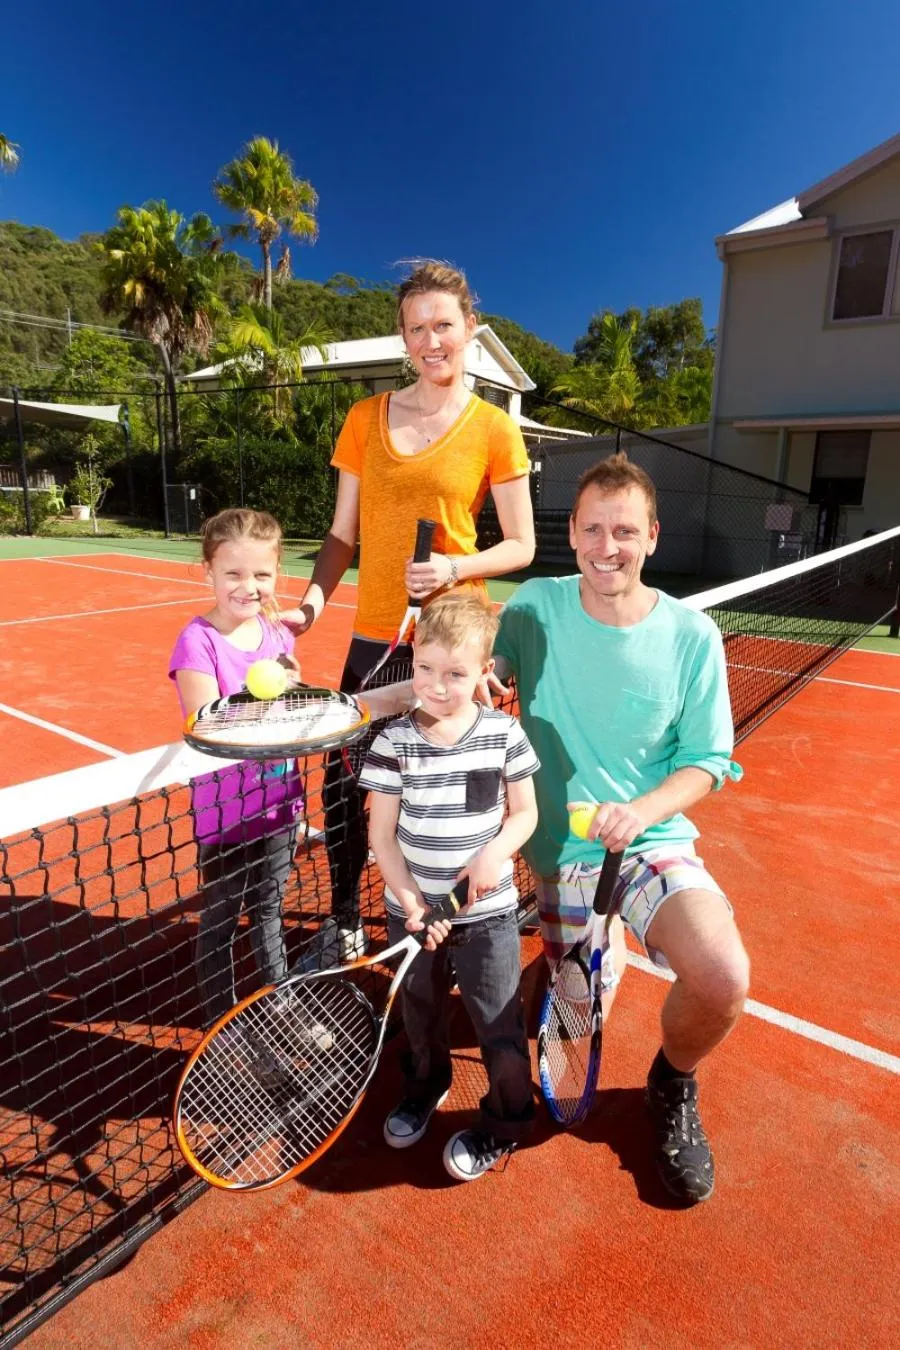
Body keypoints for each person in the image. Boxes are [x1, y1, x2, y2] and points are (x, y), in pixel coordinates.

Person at [492, 452, 749, 1206]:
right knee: (575, 1009)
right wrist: (483, 675)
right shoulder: (533, 606)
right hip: (562, 857)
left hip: (650, 841)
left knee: (722, 977)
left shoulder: (692, 635)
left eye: (626, 531)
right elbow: (495, 671)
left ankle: (671, 1083)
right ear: (570, 532)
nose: (610, 546)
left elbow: (706, 762)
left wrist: (642, 812)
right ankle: (583, 961)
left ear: (653, 537)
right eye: (595, 529)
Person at [283, 259, 536, 964]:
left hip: (455, 639)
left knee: (452, 786)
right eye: (417, 327)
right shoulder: (366, 419)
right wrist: (309, 603)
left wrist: (455, 567)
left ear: (471, 333)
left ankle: (455, 917)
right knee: (345, 783)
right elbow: (342, 534)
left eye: (445, 326)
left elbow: (521, 543)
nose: (432, 340)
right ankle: (342, 918)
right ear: (403, 338)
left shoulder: (493, 429)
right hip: (376, 637)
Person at [358, 592, 540, 1182]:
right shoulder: (391, 742)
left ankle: (506, 1119)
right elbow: (382, 838)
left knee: (498, 1023)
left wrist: (494, 855)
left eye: (456, 673)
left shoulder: (503, 735)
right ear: (413, 662)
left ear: (485, 672)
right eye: (426, 670)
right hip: (411, 914)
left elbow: (524, 815)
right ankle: (424, 1088)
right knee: (421, 1012)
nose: (437, 685)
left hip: (489, 917)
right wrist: (411, 904)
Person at [169, 508, 303, 1027]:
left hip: (280, 802)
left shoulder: (277, 636)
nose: (249, 587)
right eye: (234, 574)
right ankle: (219, 1027)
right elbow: (206, 725)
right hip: (224, 811)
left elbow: (295, 709)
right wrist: (258, 699)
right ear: (208, 571)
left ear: (277, 576)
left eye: (262, 575)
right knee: (221, 921)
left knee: (271, 911)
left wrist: (291, 685)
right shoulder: (197, 642)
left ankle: (283, 1006)